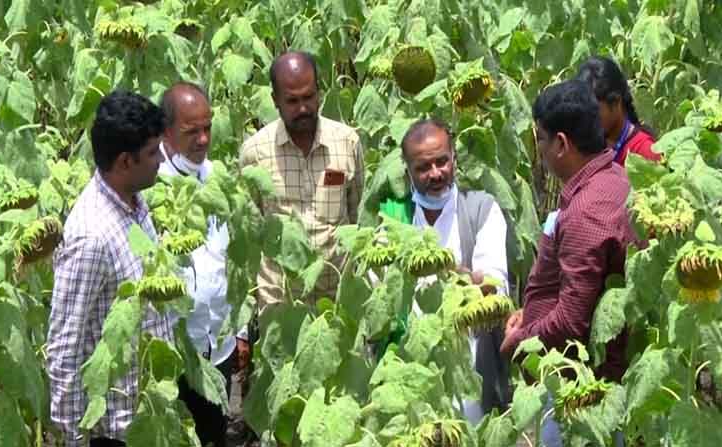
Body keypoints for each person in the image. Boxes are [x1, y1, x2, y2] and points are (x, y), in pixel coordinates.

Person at [500, 80, 635, 446]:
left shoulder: (586, 213)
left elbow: (573, 318)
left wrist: (522, 340)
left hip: (582, 393)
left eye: (541, 140)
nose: (539, 150)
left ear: (561, 143)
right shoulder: (613, 178)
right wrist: (530, 312)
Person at [47, 90, 173, 447]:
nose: (161, 159)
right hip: (113, 433)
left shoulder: (133, 202)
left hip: (147, 418)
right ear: (124, 161)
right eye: (152, 153)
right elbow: (65, 345)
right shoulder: (91, 235)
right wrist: (74, 438)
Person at [394, 119, 511, 424]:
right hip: (412, 370)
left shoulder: (482, 210)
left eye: (441, 161)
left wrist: (442, 266)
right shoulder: (394, 220)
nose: (435, 173)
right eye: (423, 167)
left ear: (454, 159)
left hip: (471, 367)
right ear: (408, 172)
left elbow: (493, 288)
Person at [158, 82, 249, 447]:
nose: (203, 139)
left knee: (213, 435)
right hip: (175, 350)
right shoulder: (150, 187)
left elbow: (236, 260)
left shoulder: (218, 178)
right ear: (166, 133)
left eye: (207, 127)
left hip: (219, 345)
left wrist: (240, 329)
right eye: (191, 131)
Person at [239, 51, 364, 309]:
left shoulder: (347, 142)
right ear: (275, 100)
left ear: (319, 92)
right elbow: (250, 231)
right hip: (280, 301)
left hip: (338, 297)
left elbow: (358, 217)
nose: (303, 108)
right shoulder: (255, 152)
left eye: (309, 97)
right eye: (292, 101)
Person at [576, 56, 660, 166]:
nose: (588, 120)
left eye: (594, 112)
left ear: (616, 102)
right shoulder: (592, 147)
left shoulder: (645, 152)